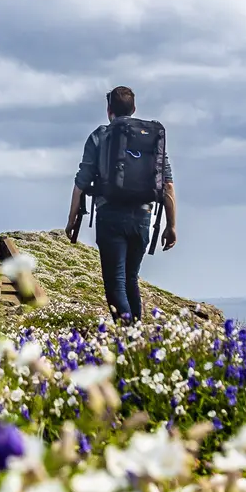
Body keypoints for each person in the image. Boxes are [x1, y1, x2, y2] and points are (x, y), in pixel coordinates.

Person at [67, 86, 176, 322]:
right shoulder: (152, 136)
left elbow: (81, 181)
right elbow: (167, 184)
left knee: (115, 282)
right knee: (130, 279)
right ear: (134, 109)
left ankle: (128, 337)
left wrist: (72, 218)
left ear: (109, 110)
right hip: (143, 216)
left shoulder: (100, 135)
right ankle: (136, 339)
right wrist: (171, 225)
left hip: (110, 217)